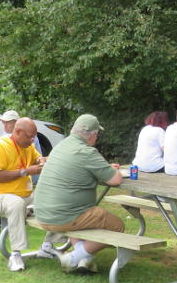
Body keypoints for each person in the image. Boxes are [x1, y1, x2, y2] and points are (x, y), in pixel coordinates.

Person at [33, 114, 125, 274]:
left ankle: (85, 258)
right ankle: (74, 257)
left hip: (43, 212)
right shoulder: (87, 152)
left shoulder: (61, 146)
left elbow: (81, 166)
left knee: (83, 220)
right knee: (117, 226)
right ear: (93, 134)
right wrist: (115, 171)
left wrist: (105, 167)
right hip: (64, 216)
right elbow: (115, 180)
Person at [0, 117, 45, 272]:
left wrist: (41, 160)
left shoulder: (27, 146)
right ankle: (16, 254)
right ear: (18, 132)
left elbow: (37, 157)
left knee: (51, 197)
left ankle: (50, 244)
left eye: (34, 137)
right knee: (16, 203)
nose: (32, 141)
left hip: (26, 196)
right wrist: (25, 171)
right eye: (30, 136)